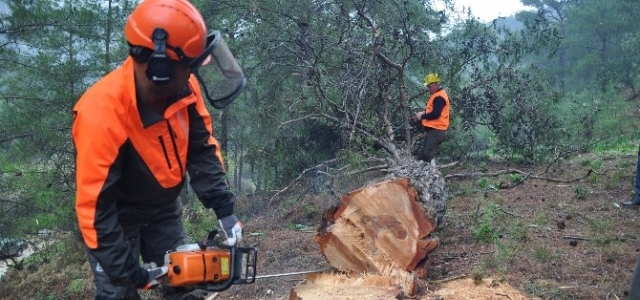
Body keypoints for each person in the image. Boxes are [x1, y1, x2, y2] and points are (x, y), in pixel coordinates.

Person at [72, 1, 244, 299]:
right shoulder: (101, 112)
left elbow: (202, 150)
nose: (192, 75)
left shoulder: (185, 90)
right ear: (159, 66)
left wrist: (224, 209)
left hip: (163, 209)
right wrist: (128, 270)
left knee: (184, 286)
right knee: (118, 293)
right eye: (188, 67)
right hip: (116, 219)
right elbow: (95, 210)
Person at [412, 73, 450, 167]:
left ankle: (434, 173)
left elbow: (436, 114)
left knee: (428, 154)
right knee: (421, 156)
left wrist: (422, 116)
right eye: (427, 87)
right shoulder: (437, 95)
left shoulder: (439, 97)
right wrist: (422, 113)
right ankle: (420, 174)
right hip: (434, 130)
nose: (428, 89)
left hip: (437, 130)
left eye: (430, 86)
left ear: (436, 84)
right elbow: (432, 110)